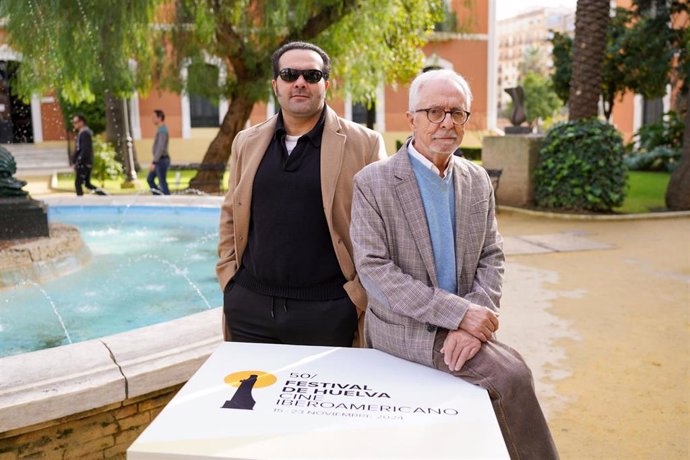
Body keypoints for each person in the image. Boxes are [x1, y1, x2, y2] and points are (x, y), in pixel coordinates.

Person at [350, 69, 559, 459]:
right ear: (411, 119)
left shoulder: (477, 179)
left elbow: (492, 255)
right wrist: (460, 314)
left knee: (510, 371)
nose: (446, 122)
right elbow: (374, 272)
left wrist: (475, 321)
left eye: (456, 113)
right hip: (405, 326)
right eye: (434, 112)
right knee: (510, 375)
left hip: (463, 323)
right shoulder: (372, 182)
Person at [216, 41, 387, 347]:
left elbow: (384, 227)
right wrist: (229, 278)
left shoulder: (365, 144)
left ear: (326, 85)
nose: (300, 82)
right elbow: (231, 213)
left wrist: (356, 297)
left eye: (311, 75)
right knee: (247, 394)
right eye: (289, 74)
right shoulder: (246, 142)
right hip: (250, 308)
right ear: (275, 85)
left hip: (329, 311)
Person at [71, 114, 104, 196]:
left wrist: (78, 161)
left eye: (76, 122)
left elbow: (85, 150)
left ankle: (80, 201)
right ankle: (104, 196)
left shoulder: (85, 133)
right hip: (85, 162)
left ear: (82, 122)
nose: (74, 124)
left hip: (84, 163)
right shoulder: (82, 133)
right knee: (87, 184)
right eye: (73, 122)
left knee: (78, 183)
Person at [148, 109, 171, 195]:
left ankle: (166, 199)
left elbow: (160, 148)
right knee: (150, 179)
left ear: (160, 118)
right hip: (159, 160)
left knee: (162, 182)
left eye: (154, 117)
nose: (152, 119)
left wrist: (154, 162)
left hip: (161, 160)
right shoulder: (160, 130)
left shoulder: (162, 130)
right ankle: (159, 197)